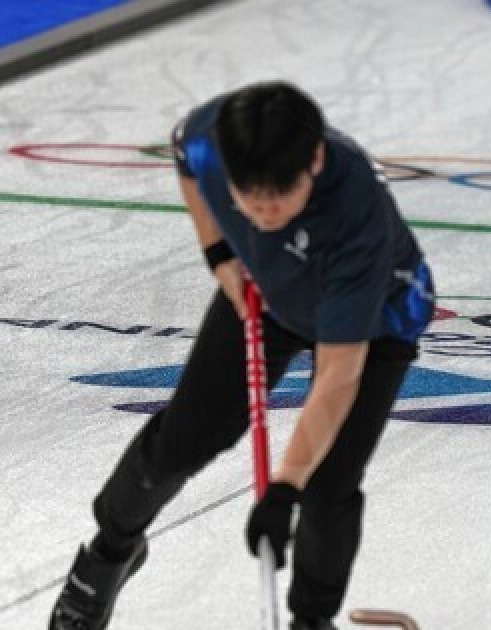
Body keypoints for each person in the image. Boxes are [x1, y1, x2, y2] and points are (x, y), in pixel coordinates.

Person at [48, 81, 436, 630]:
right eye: (248, 194)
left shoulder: (355, 219)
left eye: (279, 193)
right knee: (184, 441)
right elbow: (187, 160)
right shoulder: (213, 140)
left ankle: (310, 620)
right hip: (265, 290)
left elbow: (337, 377)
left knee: (326, 483)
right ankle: (106, 558)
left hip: (375, 320)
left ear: (315, 160)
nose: (262, 208)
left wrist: (283, 488)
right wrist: (218, 251)